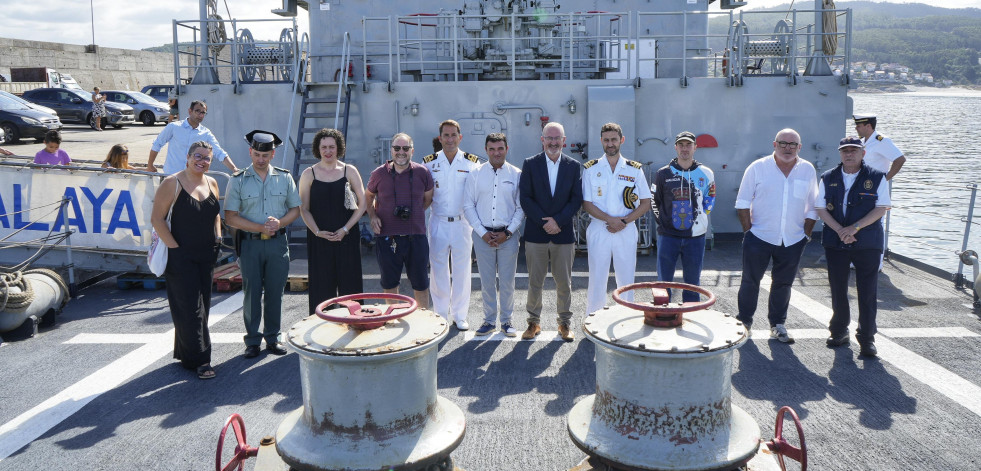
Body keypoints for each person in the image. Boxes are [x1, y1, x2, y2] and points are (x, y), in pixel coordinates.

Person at [734, 128, 818, 344]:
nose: (787, 148)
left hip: (793, 238)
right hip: (759, 236)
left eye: (792, 144)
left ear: (800, 147)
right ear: (774, 144)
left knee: (783, 283)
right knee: (750, 281)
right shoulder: (757, 168)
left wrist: (806, 234)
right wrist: (748, 231)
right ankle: (744, 323)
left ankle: (778, 325)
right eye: (783, 143)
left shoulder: (807, 170)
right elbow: (742, 202)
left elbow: (812, 205)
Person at [224, 130, 301, 359]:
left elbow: (295, 209)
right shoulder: (238, 180)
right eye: (256, 154)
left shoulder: (285, 177)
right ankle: (253, 340)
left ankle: (273, 337)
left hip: (277, 244)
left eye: (265, 155)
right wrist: (260, 228)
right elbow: (230, 217)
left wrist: (280, 223)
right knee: (251, 292)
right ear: (250, 152)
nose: (260, 159)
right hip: (250, 245)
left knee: (276, 292)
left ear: (272, 154)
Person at [150, 141, 222, 379]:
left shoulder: (212, 182)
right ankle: (202, 360)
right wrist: (175, 248)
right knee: (191, 308)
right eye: (198, 156)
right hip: (181, 256)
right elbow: (157, 219)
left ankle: (185, 352)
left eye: (207, 158)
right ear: (188, 157)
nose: (202, 161)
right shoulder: (172, 183)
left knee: (203, 306)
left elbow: (215, 214)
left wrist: (218, 237)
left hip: (207, 254)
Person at [816, 137, 890, 358]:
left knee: (867, 291)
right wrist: (841, 230)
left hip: (867, 242)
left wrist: (854, 228)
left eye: (854, 151)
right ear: (840, 153)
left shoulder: (877, 177)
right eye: (845, 151)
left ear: (863, 153)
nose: (849, 154)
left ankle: (867, 338)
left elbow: (882, 207)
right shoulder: (828, 177)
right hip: (836, 240)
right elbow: (820, 208)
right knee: (838, 289)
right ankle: (839, 332)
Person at [518, 122, 583, 341]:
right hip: (536, 233)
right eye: (549, 138)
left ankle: (564, 324)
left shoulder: (573, 166)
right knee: (535, 281)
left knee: (564, 282)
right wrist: (544, 222)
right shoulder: (530, 164)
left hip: (563, 234)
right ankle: (533, 323)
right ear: (542, 140)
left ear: (564, 140)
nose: (553, 142)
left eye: (557, 138)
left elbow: (576, 199)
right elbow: (525, 197)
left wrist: (559, 221)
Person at [581, 122, 652, 317]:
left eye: (614, 139)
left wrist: (624, 221)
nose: (610, 143)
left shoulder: (634, 169)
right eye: (606, 140)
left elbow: (645, 202)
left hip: (626, 230)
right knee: (597, 277)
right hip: (599, 229)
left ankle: (627, 317)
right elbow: (587, 203)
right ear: (601, 142)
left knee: (626, 278)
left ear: (622, 140)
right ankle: (593, 319)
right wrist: (610, 220)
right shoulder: (590, 169)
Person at [298, 129, 366, 315]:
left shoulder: (349, 171)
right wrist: (317, 231)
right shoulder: (308, 174)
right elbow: (303, 208)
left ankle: (353, 324)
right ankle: (321, 327)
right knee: (321, 287)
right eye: (324, 147)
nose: (328, 151)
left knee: (351, 286)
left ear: (339, 148)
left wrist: (345, 229)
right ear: (317, 149)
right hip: (320, 239)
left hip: (347, 238)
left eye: (331, 147)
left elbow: (362, 204)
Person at [463, 133, 524, 337]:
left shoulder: (516, 174)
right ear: (486, 150)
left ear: (507, 149)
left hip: (508, 236)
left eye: (500, 148)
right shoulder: (475, 174)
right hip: (483, 237)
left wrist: (508, 232)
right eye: (492, 149)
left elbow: (521, 208)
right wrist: (482, 232)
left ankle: (506, 321)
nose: (496, 153)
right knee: (487, 281)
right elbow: (468, 205)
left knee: (507, 281)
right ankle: (489, 321)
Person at [365, 132, 434, 308]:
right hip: (387, 236)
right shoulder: (379, 173)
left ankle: (422, 317)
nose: (401, 152)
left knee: (421, 283)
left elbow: (428, 199)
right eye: (397, 148)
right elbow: (368, 196)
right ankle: (393, 317)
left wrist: (416, 213)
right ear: (391, 150)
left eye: (405, 148)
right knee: (390, 283)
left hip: (416, 236)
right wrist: (373, 216)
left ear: (412, 150)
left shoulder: (422, 172)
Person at [423, 119, 480, 330]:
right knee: (438, 271)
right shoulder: (428, 163)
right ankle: (440, 313)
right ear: (440, 138)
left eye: (453, 135)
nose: (449, 139)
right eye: (445, 135)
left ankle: (460, 315)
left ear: (460, 137)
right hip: (437, 221)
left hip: (462, 224)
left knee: (462, 270)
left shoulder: (471, 163)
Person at [652, 131, 716, 301]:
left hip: (695, 237)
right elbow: (654, 201)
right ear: (675, 147)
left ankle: (691, 314)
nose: (684, 148)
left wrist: (700, 220)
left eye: (689, 145)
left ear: (695, 147)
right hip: (668, 236)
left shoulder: (706, 173)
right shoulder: (663, 173)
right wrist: (664, 222)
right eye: (681, 145)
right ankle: (663, 316)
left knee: (692, 282)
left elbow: (710, 200)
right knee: (663, 282)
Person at [854, 113, 905, 268]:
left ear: (868, 126)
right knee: (860, 222)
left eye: (859, 125)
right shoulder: (863, 142)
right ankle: (858, 260)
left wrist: (885, 179)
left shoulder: (882, 141)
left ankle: (876, 263)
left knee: (876, 224)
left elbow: (900, 159)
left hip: (875, 189)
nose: (856, 128)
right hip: (861, 189)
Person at [147, 100, 238, 175]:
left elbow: (219, 152)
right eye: (197, 111)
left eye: (203, 113)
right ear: (190, 111)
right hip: (171, 176)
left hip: (192, 179)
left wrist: (234, 169)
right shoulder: (174, 127)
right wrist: (150, 165)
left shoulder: (206, 133)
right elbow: (157, 144)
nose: (200, 115)